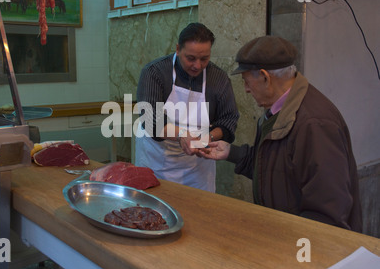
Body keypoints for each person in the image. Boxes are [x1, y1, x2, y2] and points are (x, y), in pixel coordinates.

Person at [198, 35, 362, 231]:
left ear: (266, 77)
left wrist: (296, 253)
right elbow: (275, 169)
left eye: (247, 81)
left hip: (304, 248)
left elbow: (327, 214)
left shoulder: (314, 124)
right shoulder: (277, 112)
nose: (246, 90)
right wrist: (230, 152)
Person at [135, 23, 239, 193]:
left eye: (204, 58)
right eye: (190, 58)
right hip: (157, 162)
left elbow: (229, 120)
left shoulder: (218, 78)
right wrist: (182, 135)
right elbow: (151, 119)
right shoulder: (154, 72)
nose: (197, 65)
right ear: (178, 49)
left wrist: (207, 137)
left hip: (198, 170)